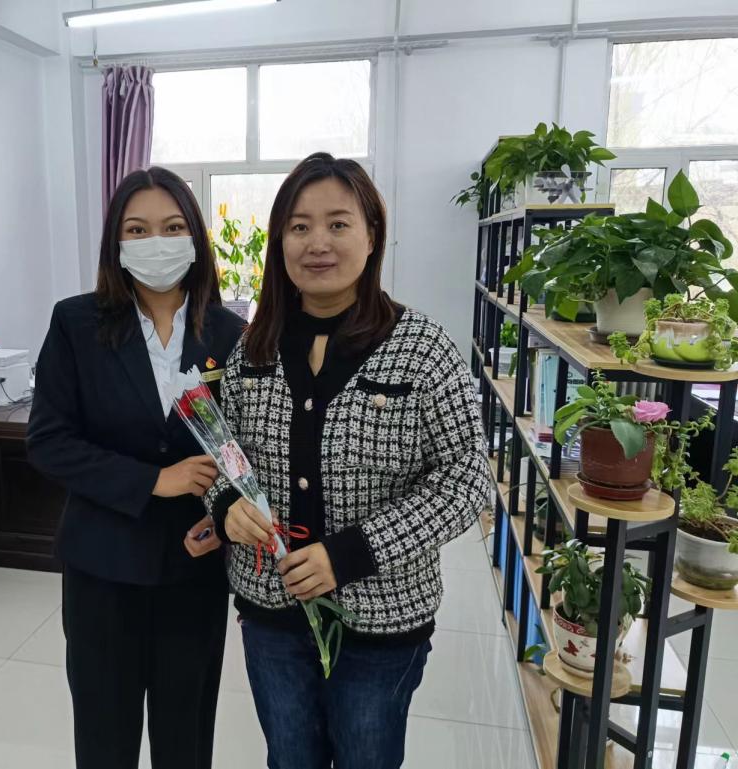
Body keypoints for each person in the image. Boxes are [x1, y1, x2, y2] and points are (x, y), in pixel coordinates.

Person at [204, 152, 489, 769]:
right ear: (280, 241)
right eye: (299, 226)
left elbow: (468, 480)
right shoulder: (253, 348)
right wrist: (226, 505)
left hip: (381, 620)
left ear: (372, 234)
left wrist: (352, 553)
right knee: (290, 756)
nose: (318, 243)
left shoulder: (423, 349)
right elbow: (223, 456)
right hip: (271, 609)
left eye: (338, 223)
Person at [27, 166, 246, 769]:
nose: (157, 242)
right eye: (138, 229)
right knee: (105, 739)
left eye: (173, 227)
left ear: (195, 237)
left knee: (186, 738)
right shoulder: (77, 324)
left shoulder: (231, 334)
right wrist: (153, 480)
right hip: (103, 568)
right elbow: (48, 441)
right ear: (117, 242)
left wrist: (227, 515)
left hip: (194, 568)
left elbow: (243, 450)